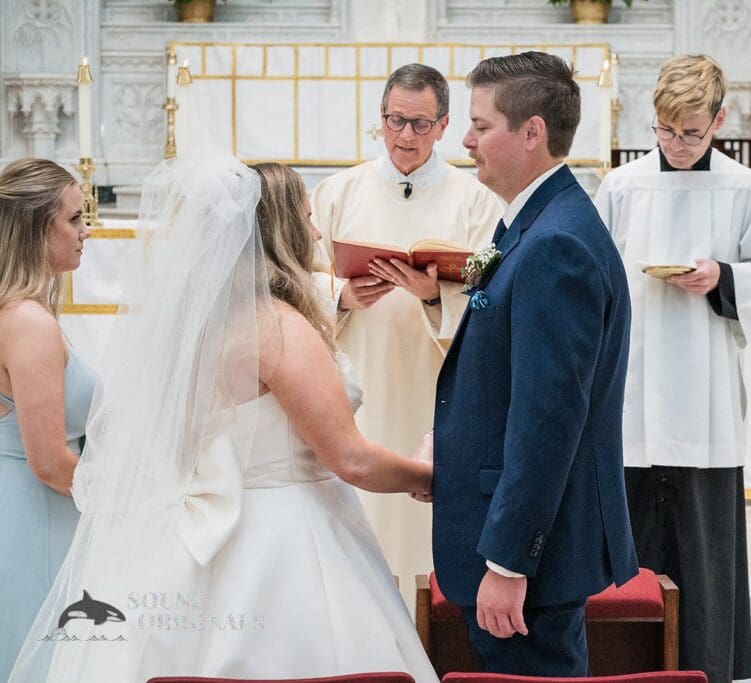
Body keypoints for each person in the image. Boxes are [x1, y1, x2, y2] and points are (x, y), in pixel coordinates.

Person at [10, 157, 438, 683]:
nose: (317, 230)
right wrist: (428, 476)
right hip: (291, 536)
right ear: (280, 229)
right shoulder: (277, 327)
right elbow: (348, 457)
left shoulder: (198, 327)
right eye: (306, 217)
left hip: (205, 542)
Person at [593, 55, 751, 683]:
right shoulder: (623, 186)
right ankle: (626, 666)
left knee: (702, 553)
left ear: (718, 119)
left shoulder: (741, 188)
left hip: (702, 391)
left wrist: (722, 277)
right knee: (629, 545)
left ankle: (709, 667)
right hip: (631, 388)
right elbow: (595, 276)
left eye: (691, 132)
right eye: (664, 130)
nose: (677, 145)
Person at [432, 51, 638, 677]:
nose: (465, 140)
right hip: (514, 530)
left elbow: (549, 419)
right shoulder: (536, 224)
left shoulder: (557, 245)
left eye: (480, 125)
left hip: (531, 561)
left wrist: (509, 562)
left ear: (532, 133)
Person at [311, 63, 503, 603]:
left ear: (444, 126)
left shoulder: (478, 203)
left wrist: (433, 295)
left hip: (436, 393)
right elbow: (292, 280)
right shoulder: (336, 194)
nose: (405, 137)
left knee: (424, 539)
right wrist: (339, 295)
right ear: (380, 118)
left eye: (421, 125)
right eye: (395, 121)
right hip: (358, 391)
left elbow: (495, 296)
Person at [0, 159, 95, 680]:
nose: (85, 232)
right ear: (39, 227)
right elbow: (50, 462)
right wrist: (131, 502)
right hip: (37, 516)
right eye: (75, 219)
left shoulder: (19, 311)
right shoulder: (29, 322)